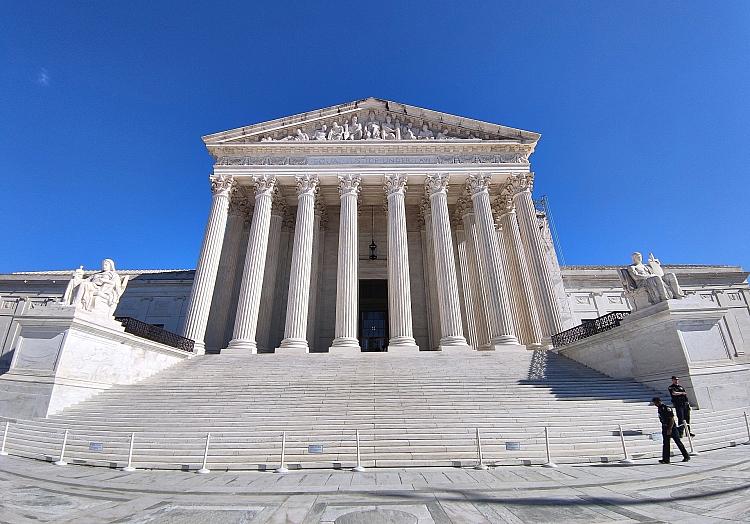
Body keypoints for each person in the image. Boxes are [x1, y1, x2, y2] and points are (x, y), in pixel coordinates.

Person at [652, 397, 690, 464]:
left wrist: (670, 429)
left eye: (655, 403)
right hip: (664, 427)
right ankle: (666, 459)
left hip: (672, 428)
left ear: (659, 401)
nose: (655, 404)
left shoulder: (667, 408)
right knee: (666, 444)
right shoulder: (660, 408)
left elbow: (671, 419)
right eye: (654, 403)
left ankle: (686, 456)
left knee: (678, 442)